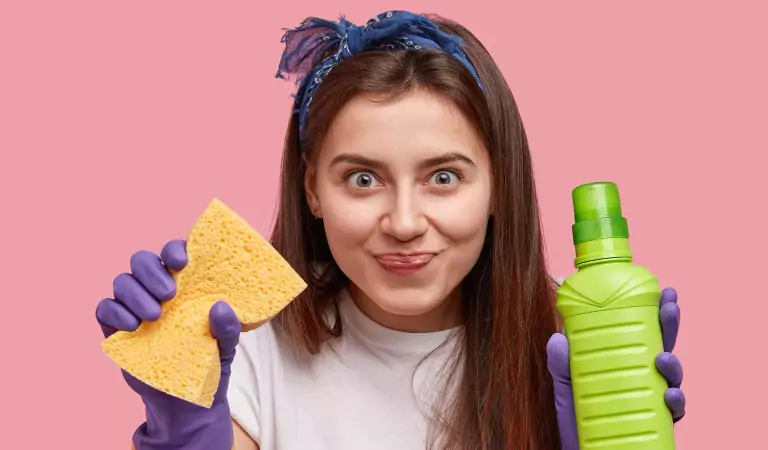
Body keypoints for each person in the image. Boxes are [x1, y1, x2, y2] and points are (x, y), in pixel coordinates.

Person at [95, 10, 686, 450]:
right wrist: (185, 425)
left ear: (498, 187)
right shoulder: (251, 354)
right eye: (362, 180)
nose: (404, 223)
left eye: (445, 177)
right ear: (311, 189)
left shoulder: (574, 344)